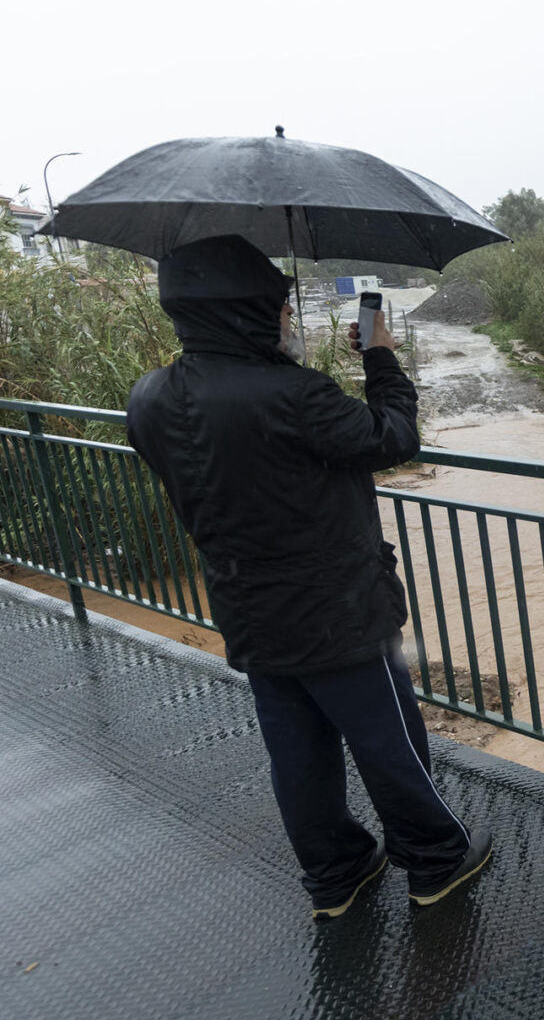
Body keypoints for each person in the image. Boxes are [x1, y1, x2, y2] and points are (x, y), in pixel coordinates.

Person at [125, 235, 491, 919]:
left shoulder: (149, 398)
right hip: (337, 614)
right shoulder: (292, 394)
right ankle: (437, 861)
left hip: (246, 607)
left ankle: (336, 874)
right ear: (246, 313)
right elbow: (393, 438)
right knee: (389, 742)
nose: (289, 321)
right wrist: (380, 353)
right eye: (281, 309)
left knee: (297, 752)